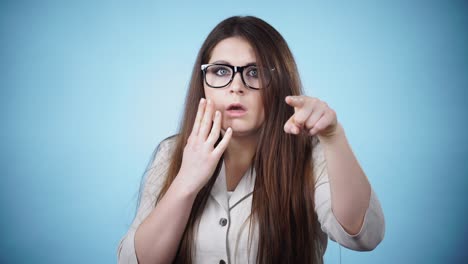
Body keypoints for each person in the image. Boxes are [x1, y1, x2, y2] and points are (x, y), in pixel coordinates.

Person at [117, 16, 385, 264]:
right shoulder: (172, 152)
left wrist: (333, 136)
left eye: (254, 72)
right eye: (221, 71)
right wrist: (186, 182)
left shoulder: (312, 153)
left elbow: (363, 236)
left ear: (279, 82)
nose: (236, 86)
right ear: (203, 82)